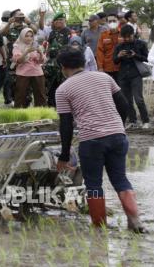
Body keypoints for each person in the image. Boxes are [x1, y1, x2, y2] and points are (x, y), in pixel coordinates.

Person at [56, 47, 146, 234]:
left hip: (91, 141)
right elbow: (124, 104)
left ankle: (99, 226)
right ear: (83, 63)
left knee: (94, 185)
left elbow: (66, 125)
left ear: (63, 67)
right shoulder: (105, 77)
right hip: (118, 137)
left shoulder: (63, 89)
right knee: (120, 180)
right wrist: (117, 127)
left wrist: (64, 155)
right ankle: (135, 220)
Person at [113, 25, 150, 129]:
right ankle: (132, 121)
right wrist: (119, 56)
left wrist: (135, 55)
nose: (127, 39)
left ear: (133, 34)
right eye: (124, 37)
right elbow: (115, 61)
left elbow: (146, 59)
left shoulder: (141, 44)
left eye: (129, 37)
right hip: (123, 76)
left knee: (139, 99)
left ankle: (145, 120)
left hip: (136, 74)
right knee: (127, 100)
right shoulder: (119, 46)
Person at [11, 28, 46, 108]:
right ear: (22, 36)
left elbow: (41, 61)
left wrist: (40, 52)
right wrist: (27, 52)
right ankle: (19, 113)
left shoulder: (36, 46)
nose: (29, 38)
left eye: (31, 36)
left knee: (41, 95)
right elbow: (18, 61)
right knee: (20, 95)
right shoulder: (17, 46)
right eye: (26, 36)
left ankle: (41, 113)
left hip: (37, 73)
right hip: (23, 73)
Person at [44, 12, 71, 107]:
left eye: (61, 20)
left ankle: (64, 107)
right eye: (57, 20)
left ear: (65, 21)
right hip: (52, 64)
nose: (59, 22)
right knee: (50, 87)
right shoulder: (52, 33)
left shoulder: (69, 32)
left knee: (63, 86)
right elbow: (48, 47)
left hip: (64, 64)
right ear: (54, 22)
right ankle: (51, 106)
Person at [97, 13, 121, 82]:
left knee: (121, 90)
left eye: (114, 21)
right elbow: (100, 52)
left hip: (121, 68)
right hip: (107, 68)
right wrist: (100, 67)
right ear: (107, 23)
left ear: (118, 21)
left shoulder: (123, 34)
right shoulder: (103, 35)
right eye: (110, 21)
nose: (112, 23)